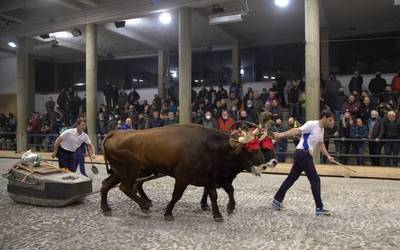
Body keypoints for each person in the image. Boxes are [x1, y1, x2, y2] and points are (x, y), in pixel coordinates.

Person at [271, 110, 335, 216]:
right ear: (323, 118)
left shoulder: (322, 130)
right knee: (315, 180)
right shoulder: (312, 124)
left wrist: (328, 156)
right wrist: (281, 135)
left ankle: (277, 201)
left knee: (291, 178)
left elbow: (321, 144)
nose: (331, 122)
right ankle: (319, 208)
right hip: (303, 154)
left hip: (302, 154)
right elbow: (296, 130)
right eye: (330, 120)